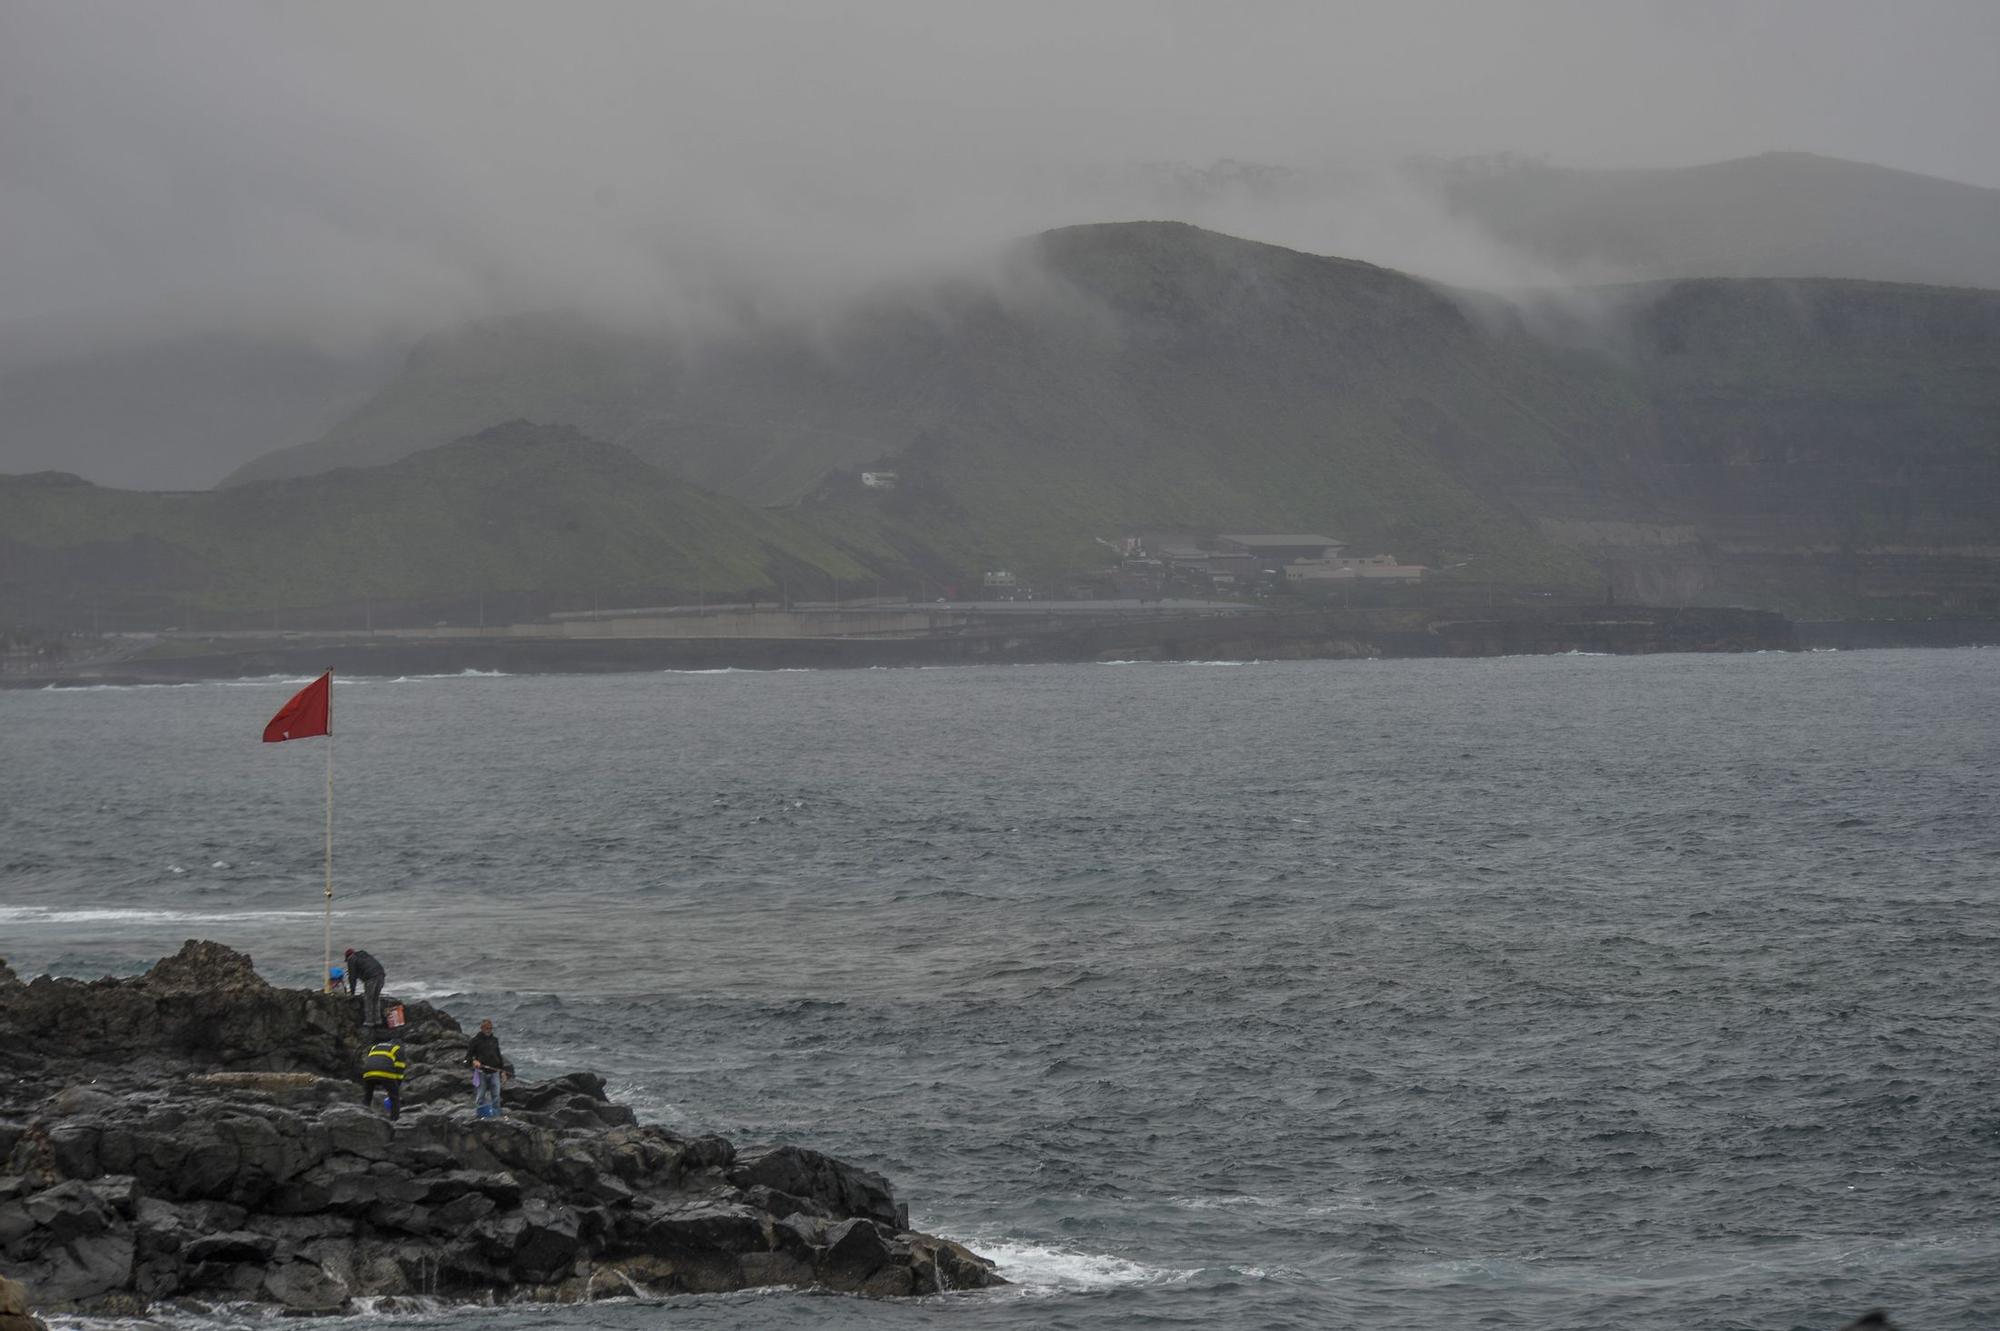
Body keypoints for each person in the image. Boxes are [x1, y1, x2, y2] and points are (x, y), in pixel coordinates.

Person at [465, 1018, 515, 1119]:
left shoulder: (494, 1040)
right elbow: (467, 1058)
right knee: (480, 1096)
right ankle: (480, 1115)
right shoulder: (475, 1041)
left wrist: (503, 1072)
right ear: (482, 1028)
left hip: (495, 1072)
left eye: (490, 1028)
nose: (489, 1030)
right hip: (481, 1072)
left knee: (496, 1096)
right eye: (487, 1028)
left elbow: (498, 1056)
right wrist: (474, 1061)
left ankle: (496, 1116)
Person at [361, 1035, 406, 1120]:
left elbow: (372, 1060)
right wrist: (396, 1087)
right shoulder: (398, 1049)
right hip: (385, 1072)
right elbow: (399, 1069)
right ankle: (394, 1121)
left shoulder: (376, 1046)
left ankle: (363, 1114)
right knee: (394, 1097)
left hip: (367, 1072)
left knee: (367, 1095)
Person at [344, 948, 386, 1027]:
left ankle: (369, 1022)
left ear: (347, 957)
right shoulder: (364, 955)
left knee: (368, 999)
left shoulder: (351, 959)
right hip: (381, 975)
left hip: (371, 978)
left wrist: (352, 993)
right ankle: (378, 1020)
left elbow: (352, 977)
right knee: (376, 998)